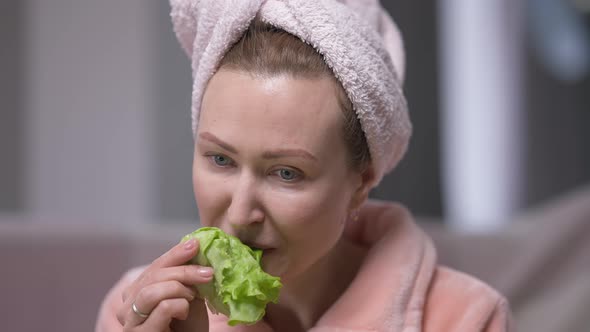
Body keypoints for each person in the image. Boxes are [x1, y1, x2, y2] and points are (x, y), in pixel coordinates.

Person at [96, 0, 511, 331]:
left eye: (286, 173)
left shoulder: (467, 317)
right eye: (220, 159)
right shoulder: (139, 310)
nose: (240, 213)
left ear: (361, 184)